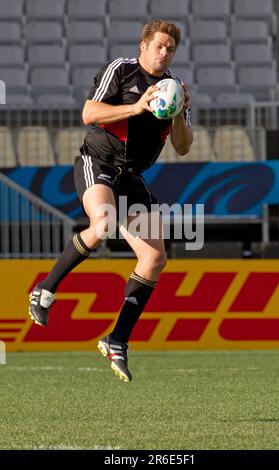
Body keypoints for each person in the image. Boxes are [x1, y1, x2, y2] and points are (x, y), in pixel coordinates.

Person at [29, 20, 193, 382]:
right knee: (101, 224)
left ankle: (117, 340)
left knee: (154, 258)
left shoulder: (175, 88)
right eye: (159, 46)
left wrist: (179, 113)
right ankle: (46, 289)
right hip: (98, 162)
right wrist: (137, 107)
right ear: (144, 46)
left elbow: (182, 146)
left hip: (132, 178)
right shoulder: (121, 71)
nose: (165, 53)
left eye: (171, 49)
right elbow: (89, 113)